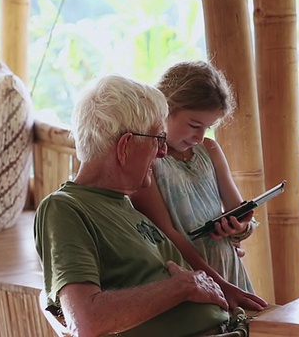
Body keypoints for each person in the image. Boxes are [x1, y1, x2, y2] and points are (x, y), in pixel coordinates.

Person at [34, 75, 243, 337]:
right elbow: (87, 321)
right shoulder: (66, 209)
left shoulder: (125, 205)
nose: (163, 152)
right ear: (125, 146)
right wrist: (182, 287)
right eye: (157, 139)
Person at [129, 61, 268, 312]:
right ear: (165, 108)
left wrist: (238, 227)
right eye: (194, 125)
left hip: (229, 271)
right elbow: (167, 234)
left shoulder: (210, 150)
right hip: (189, 277)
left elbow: (240, 212)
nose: (200, 137)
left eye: (208, 127)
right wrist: (218, 283)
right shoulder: (148, 161)